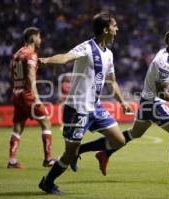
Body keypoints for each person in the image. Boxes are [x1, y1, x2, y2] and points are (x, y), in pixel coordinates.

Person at [38, 11, 133, 195]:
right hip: (77, 109)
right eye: (114, 26)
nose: (117, 29)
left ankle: (80, 149)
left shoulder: (109, 54)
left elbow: (111, 81)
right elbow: (65, 57)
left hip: (95, 107)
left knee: (119, 140)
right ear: (106, 30)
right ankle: (47, 182)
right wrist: (47, 60)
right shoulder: (87, 48)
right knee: (68, 154)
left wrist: (122, 102)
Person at [89, 28, 169, 181]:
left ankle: (104, 153)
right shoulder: (163, 63)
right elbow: (161, 93)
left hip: (146, 102)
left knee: (135, 133)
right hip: (154, 103)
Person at [8, 27, 55, 169]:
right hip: (28, 94)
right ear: (33, 38)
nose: (40, 40)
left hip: (16, 92)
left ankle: (12, 160)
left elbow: (12, 74)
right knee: (46, 122)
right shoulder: (31, 54)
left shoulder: (17, 54)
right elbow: (30, 76)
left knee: (18, 126)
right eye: (39, 37)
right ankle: (48, 159)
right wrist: (36, 97)